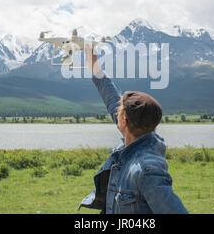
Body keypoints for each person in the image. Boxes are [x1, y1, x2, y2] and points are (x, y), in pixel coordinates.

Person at [79, 46, 188, 214]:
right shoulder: (138, 131)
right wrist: (93, 64)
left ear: (124, 121)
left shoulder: (148, 170)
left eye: (120, 110)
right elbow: (111, 96)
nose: (116, 110)